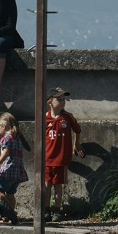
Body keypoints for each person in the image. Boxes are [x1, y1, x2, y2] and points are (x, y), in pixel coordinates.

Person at [44, 88, 84, 222]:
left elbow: (77, 130)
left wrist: (76, 144)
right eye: (59, 99)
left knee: (58, 185)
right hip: (47, 158)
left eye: (63, 99)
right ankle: (46, 209)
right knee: (47, 185)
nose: (62, 102)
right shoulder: (44, 118)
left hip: (61, 158)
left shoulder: (67, 117)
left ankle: (57, 210)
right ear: (50, 101)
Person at [0, 113, 28, 222]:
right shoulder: (16, 138)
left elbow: (6, 152)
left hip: (9, 170)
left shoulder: (6, 138)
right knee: (10, 194)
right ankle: (9, 216)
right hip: (17, 172)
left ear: (3, 126)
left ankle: (8, 212)